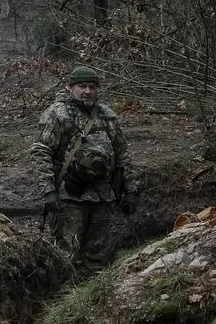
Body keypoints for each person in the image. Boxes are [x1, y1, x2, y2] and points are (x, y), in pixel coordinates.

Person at [33, 65, 138, 273]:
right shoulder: (57, 114)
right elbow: (41, 151)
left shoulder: (107, 115)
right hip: (69, 197)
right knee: (65, 256)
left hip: (103, 197)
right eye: (82, 86)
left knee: (98, 257)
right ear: (70, 88)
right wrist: (48, 192)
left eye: (92, 86)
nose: (88, 91)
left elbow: (122, 153)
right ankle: (60, 301)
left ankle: (89, 300)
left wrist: (131, 189)